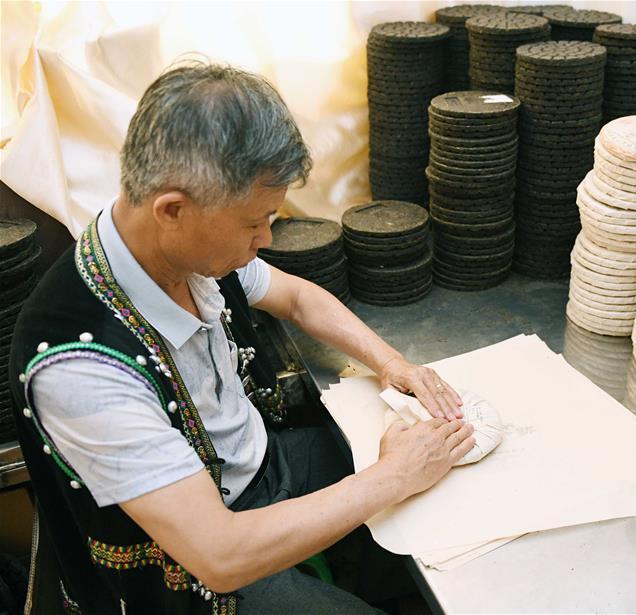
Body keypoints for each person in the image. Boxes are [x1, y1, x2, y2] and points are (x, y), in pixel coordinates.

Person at [9, 62, 475, 614]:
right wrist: (392, 476)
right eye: (254, 222)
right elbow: (220, 554)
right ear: (173, 210)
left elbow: (297, 297)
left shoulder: (188, 251)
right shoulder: (84, 370)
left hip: (259, 466)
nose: (267, 237)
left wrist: (392, 362)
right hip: (182, 572)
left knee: (453, 493)